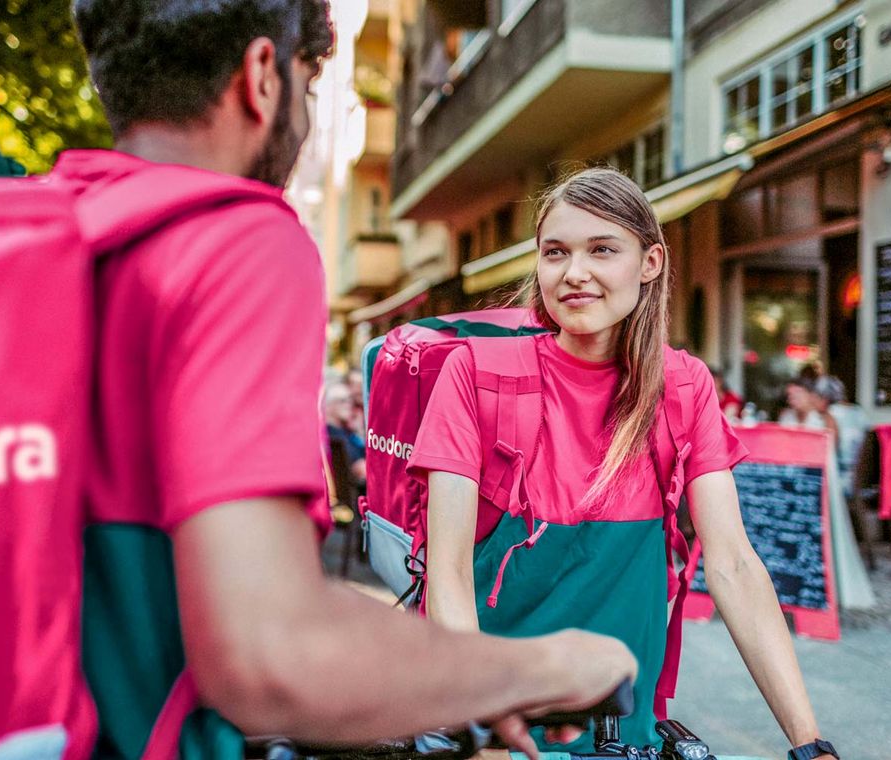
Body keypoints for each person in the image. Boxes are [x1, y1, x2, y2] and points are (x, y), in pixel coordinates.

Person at [60, 2, 637, 757]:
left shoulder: (58, 227)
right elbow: (271, 657)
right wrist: (546, 666)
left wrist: (451, 678)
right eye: (309, 82)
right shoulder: (239, 242)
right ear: (263, 75)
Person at [409, 168, 838, 759]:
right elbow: (448, 572)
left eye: (602, 250)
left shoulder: (683, 386)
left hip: (623, 734)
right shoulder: (475, 375)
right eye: (555, 252)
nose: (574, 273)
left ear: (650, 262)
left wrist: (810, 744)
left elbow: (734, 563)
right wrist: (483, 737)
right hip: (495, 729)